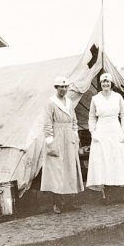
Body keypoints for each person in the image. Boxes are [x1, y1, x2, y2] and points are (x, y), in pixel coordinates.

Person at [86, 73, 124, 203]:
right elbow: (91, 117)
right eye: (103, 82)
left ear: (111, 83)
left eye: (107, 82)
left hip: (115, 130)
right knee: (104, 162)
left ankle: (117, 194)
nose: (105, 84)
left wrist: (123, 130)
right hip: (101, 132)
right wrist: (93, 132)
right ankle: (106, 195)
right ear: (100, 84)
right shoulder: (95, 98)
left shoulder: (118, 97)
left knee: (116, 161)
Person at [41, 76, 84, 214]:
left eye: (65, 87)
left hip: (69, 138)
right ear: (56, 88)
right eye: (61, 87)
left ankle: (69, 203)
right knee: (57, 172)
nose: (63, 89)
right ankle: (57, 203)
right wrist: (50, 142)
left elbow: (74, 122)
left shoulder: (70, 103)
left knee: (70, 169)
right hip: (57, 137)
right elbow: (47, 124)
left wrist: (75, 136)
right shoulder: (51, 103)